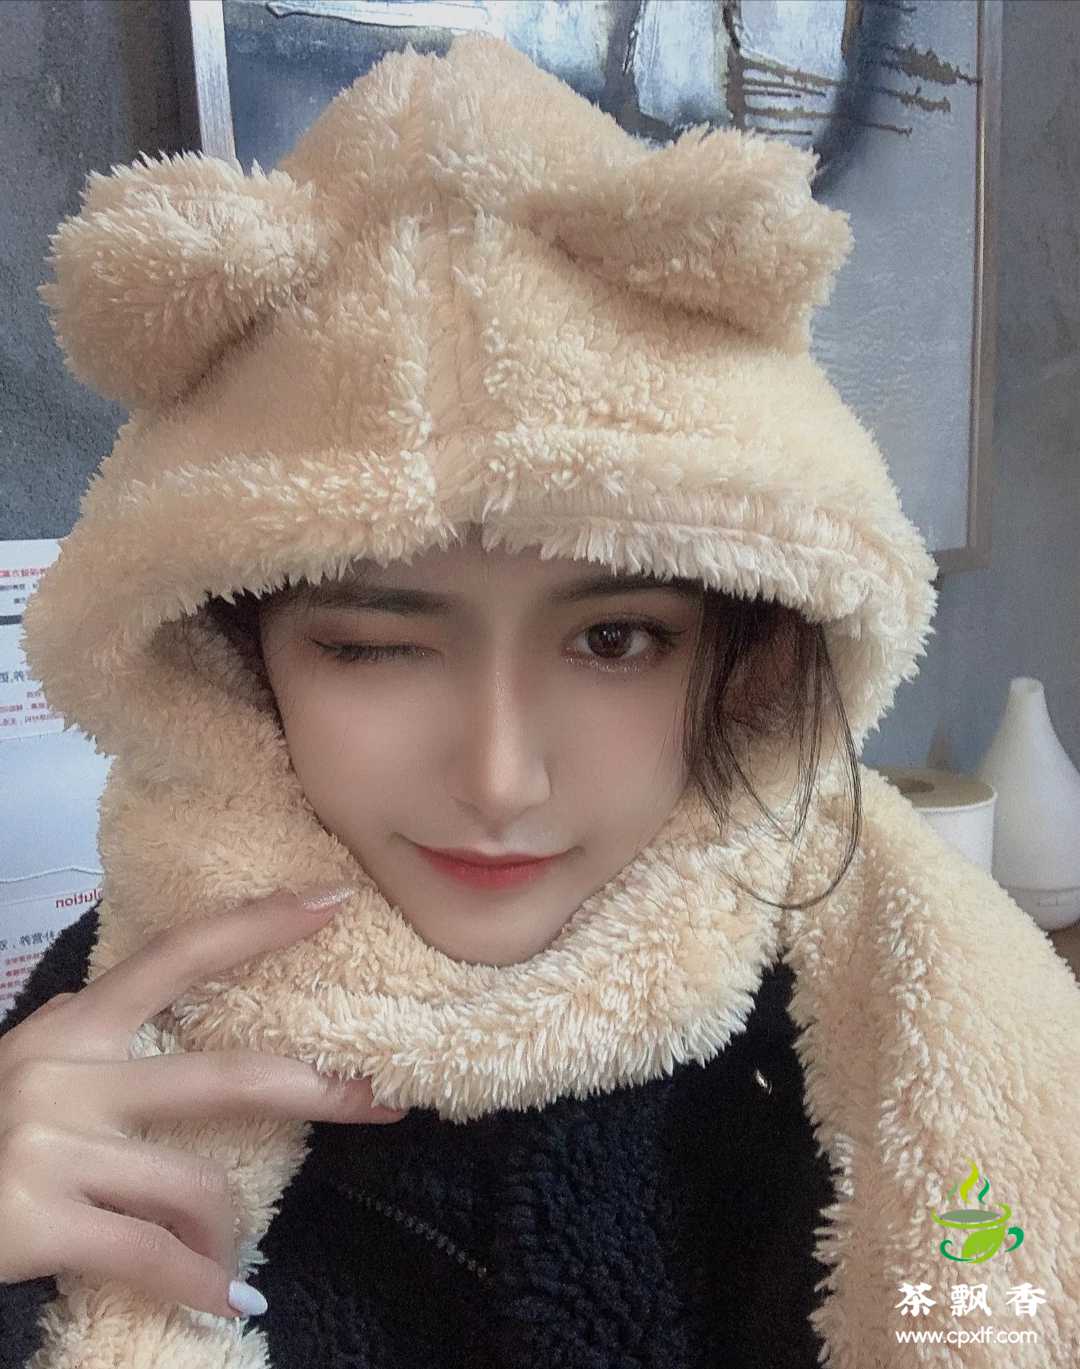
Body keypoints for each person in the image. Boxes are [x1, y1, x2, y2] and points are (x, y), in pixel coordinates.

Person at [1, 32, 1077, 1369]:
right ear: (232, 658)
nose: (501, 780)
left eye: (616, 638)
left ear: (748, 651)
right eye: (373, 647)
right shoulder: (102, 1039)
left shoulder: (886, 1035)